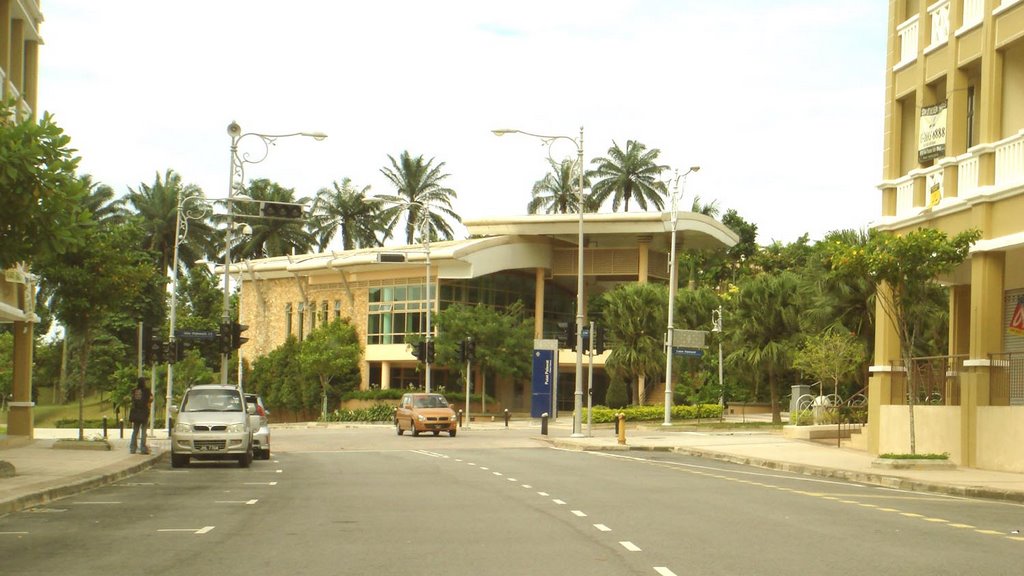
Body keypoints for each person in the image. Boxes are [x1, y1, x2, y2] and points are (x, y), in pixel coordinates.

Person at [129, 377, 152, 455]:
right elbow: (150, 399)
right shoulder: (147, 391)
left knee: (135, 430)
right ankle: (143, 448)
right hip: (144, 412)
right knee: (143, 430)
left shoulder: (134, 391)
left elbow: (132, 401)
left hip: (135, 413)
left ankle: (132, 448)